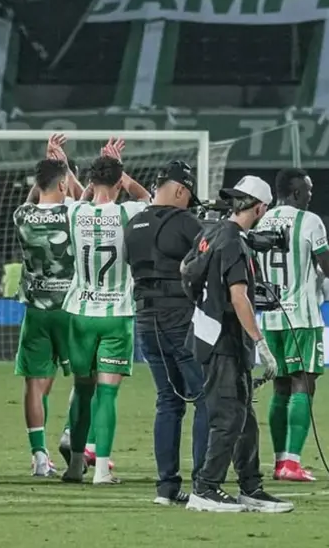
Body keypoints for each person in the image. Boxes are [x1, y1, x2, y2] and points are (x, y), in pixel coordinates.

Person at [182, 175, 292, 514]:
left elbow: (184, 269)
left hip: (212, 333)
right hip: (224, 340)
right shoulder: (233, 241)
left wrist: (205, 303)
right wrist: (262, 344)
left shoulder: (212, 231)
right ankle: (206, 488)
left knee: (244, 417)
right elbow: (239, 297)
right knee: (229, 417)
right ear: (260, 208)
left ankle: (251, 487)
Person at [61, 140, 151, 485]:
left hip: (80, 312)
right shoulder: (128, 213)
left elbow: (81, 199)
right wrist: (121, 171)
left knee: (82, 389)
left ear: (91, 182)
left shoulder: (74, 212)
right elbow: (148, 200)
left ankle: (73, 467)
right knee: (107, 393)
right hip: (117, 313)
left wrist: (94, 180)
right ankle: (101, 471)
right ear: (118, 183)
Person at [255, 168, 329, 482]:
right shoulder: (310, 221)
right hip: (301, 318)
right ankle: (292, 463)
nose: (311, 196)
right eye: (308, 190)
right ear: (296, 192)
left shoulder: (263, 219)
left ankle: (280, 461)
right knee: (303, 384)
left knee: (280, 387)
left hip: (269, 316)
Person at [125, 160, 209, 505]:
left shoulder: (133, 224)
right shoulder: (186, 222)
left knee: (168, 401)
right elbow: (210, 258)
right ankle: (205, 484)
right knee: (206, 397)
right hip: (179, 317)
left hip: (145, 319)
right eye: (188, 196)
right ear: (179, 189)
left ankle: (166, 488)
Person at [13, 134, 84, 477]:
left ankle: (39, 456)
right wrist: (66, 167)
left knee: (35, 383)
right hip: (69, 309)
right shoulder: (72, 213)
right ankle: (72, 434)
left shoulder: (22, 216)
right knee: (87, 379)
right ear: (62, 184)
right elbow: (90, 203)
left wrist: (52, 169)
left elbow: (34, 199)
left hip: (36, 311)